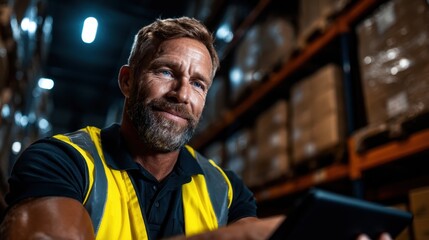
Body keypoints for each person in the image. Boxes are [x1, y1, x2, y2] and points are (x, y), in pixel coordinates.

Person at [0, 17, 391, 240]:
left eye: (199, 83)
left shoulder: (225, 189)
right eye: (166, 71)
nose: (182, 94)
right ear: (126, 81)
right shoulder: (61, 161)